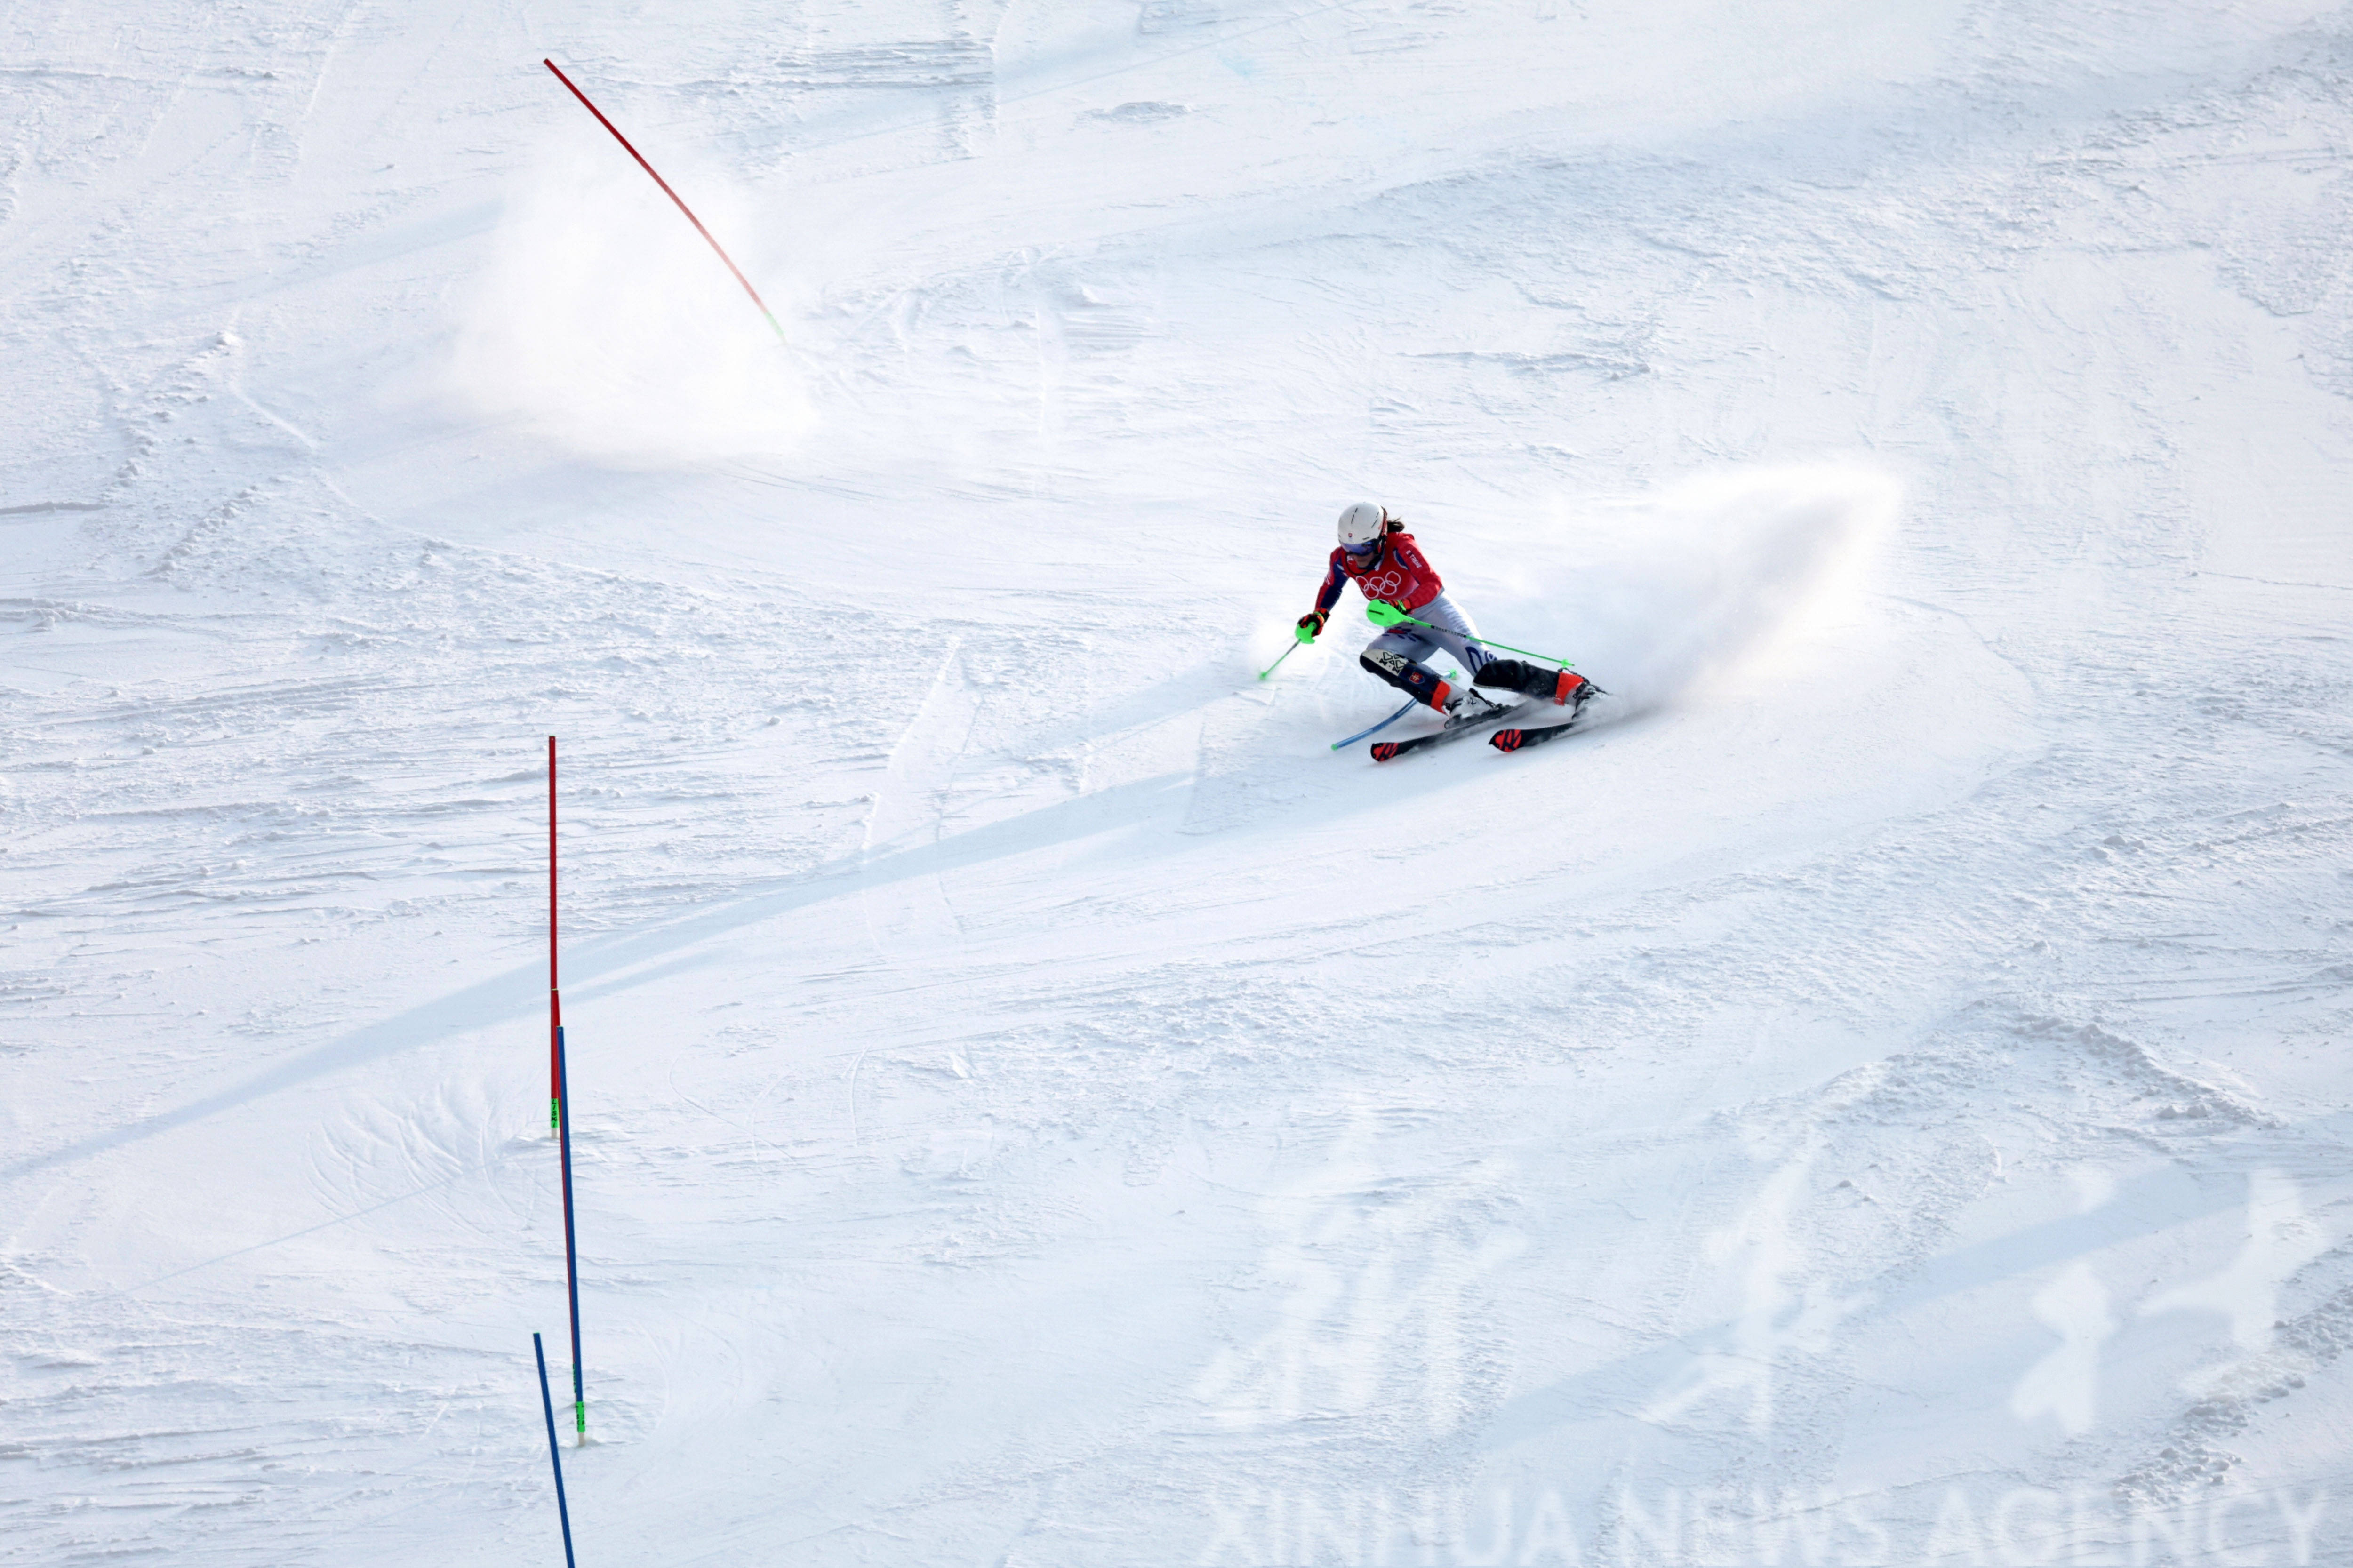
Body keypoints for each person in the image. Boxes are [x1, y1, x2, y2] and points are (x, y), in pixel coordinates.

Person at [1296, 502, 1591, 717]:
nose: (1356, 557)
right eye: (1350, 549)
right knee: (1374, 657)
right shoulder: (1341, 558)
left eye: (1364, 548)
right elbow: (1333, 587)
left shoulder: (1401, 547)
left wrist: (1403, 605)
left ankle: (1574, 688)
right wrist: (1319, 615)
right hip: (1405, 629)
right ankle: (1461, 703)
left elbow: (1433, 583)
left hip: (1435, 615)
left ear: (1381, 537)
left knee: (1486, 671)